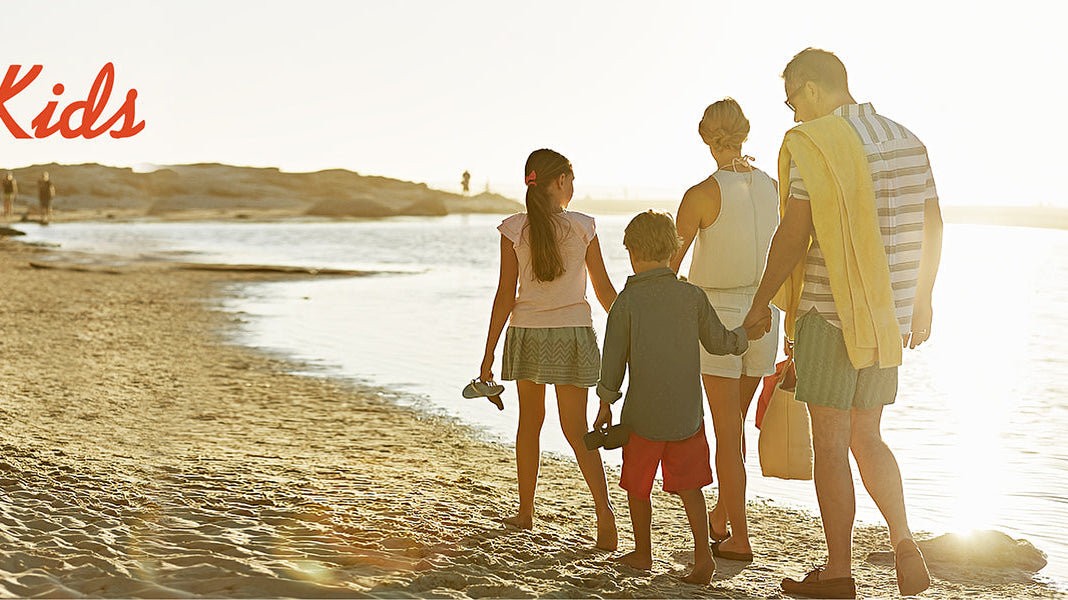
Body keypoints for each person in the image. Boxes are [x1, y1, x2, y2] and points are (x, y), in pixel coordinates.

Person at [742, 48, 943, 599]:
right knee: (868, 436)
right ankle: (904, 544)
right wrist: (922, 301)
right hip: (887, 318)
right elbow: (934, 223)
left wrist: (761, 303)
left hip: (829, 315)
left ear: (810, 88)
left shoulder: (819, 144)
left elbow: (794, 232)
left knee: (830, 444)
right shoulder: (908, 140)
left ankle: (838, 572)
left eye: (791, 101)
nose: (792, 116)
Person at [595, 210, 761, 584]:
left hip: (641, 418)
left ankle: (642, 552)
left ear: (633, 253)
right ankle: (704, 556)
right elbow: (720, 343)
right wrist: (747, 333)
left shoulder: (625, 304)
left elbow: (612, 362)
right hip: (687, 416)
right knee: (691, 487)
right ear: (673, 250)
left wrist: (605, 403)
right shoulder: (693, 297)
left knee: (637, 487)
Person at [478, 148, 618, 549]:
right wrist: (635, 327)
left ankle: (525, 512)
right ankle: (604, 514)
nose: (573, 188)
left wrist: (488, 353)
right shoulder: (582, 227)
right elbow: (606, 293)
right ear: (560, 182)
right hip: (573, 334)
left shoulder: (513, 230)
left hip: (528, 333)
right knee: (576, 430)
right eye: (571, 180)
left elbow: (505, 295)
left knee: (530, 423)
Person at [669, 98, 780, 562]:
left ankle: (742, 539)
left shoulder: (700, 194)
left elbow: (667, 269)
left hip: (716, 318)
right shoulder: (775, 187)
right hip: (765, 316)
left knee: (726, 434)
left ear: (705, 138)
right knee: (733, 431)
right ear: (745, 133)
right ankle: (722, 517)